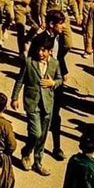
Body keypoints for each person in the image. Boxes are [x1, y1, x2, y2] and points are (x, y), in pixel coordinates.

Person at [11, 36, 62, 176]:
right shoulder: (29, 62)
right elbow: (20, 80)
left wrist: (54, 83)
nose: (40, 53)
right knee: (36, 133)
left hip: (47, 104)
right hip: (32, 102)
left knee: (43, 136)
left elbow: (60, 79)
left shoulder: (55, 64)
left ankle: (38, 162)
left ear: (50, 51)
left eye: (44, 50)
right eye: (39, 50)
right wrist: (14, 97)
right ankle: (26, 151)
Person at [29, 9, 72, 161]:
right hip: (43, 82)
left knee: (55, 116)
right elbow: (30, 63)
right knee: (42, 115)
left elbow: (59, 56)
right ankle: (34, 148)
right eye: (61, 24)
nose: (63, 26)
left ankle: (56, 147)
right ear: (52, 24)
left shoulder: (58, 38)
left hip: (56, 81)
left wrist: (64, 72)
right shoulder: (39, 40)